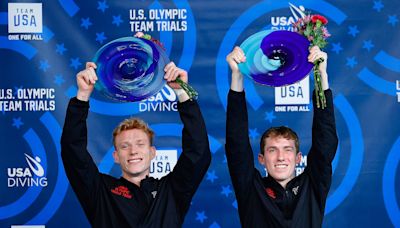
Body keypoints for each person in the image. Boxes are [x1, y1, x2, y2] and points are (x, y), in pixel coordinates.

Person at [61, 60, 211, 227]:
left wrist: (182, 92)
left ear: (152, 152)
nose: (133, 151)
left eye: (140, 144)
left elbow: (198, 151)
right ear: (116, 156)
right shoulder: (100, 191)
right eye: (124, 146)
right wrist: (82, 96)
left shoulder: (171, 191)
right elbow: (73, 152)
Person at [225, 46, 338, 227]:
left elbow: (326, 142)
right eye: (272, 150)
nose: (281, 157)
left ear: (298, 157)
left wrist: (321, 75)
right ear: (261, 159)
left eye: (287, 149)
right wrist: (237, 76)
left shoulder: (313, 186)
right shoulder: (252, 189)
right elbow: (236, 145)